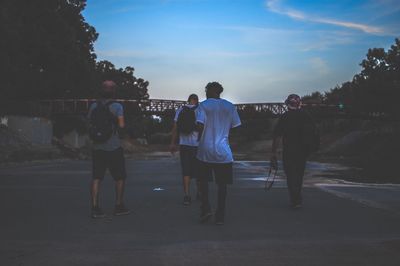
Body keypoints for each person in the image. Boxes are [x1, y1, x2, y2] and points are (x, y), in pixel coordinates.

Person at [196, 82, 241, 225]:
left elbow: (199, 125)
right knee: (222, 186)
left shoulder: (203, 105)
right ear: (220, 92)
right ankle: (220, 215)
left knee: (203, 182)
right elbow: (236, 126)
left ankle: (206, 209)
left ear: (209, 91)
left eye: (206, 90)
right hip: (224, 152)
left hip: (205, 150)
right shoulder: (230, 106)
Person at [88, 80, 130, 218]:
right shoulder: (117, 106)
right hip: (113, 147)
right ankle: (118, 205)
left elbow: (90, 124)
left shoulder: (94, 106)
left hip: (97, 147)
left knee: (96, 177)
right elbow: (122, 125)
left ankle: (95, 207)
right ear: (114, 91)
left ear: (102, 90)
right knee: (119, 177)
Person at [271, 94, 316, 209]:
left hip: (289, 151)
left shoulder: (285, 117)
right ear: (299, 103)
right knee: (299, 175)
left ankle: (294, 199)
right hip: (303, 151)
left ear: (287, 104)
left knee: (290, 175)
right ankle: (297, 198)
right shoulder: (306, 115)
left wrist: (273, 153)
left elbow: (277, 136)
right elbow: (314, 132)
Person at [169, 94, 201, 206]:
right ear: (196, 101)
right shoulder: (200, 110)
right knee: (198, 170)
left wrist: (173, 143)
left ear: (188, 100)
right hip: (197, 145)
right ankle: (199, 192)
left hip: (184, 144)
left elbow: (175, 128)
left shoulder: (181, 110)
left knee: (186, 171)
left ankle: (187, 195)